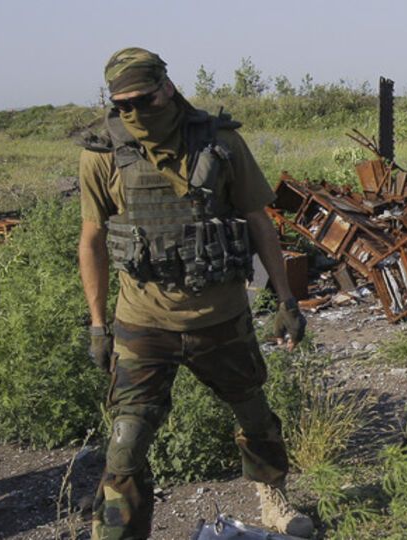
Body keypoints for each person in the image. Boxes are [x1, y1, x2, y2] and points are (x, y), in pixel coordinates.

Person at [77, 47, 311, 539]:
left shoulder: (221, 143)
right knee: (126, 443)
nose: (135, 114)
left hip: (220, 316)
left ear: (167, 87)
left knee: (253, 411)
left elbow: (258, 222)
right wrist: (98, 325)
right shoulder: (101, 155)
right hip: (143, 323)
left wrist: (285, 301)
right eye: (123, 106)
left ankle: (273, 499)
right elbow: (92, 241)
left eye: (144, 100)